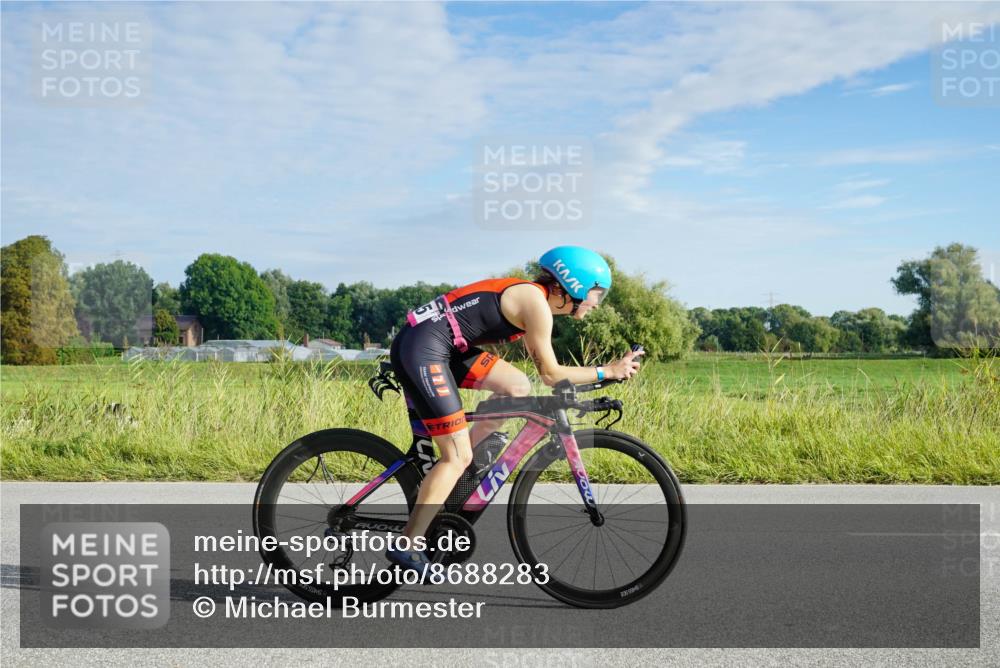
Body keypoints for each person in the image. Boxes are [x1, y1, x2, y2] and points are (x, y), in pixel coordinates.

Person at [385, 246, 644, 575]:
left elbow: (541, 377)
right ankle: (409, 542)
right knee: (456, 455)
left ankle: (466, 464)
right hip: (423, 348)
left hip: (443, 345)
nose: (596, 303)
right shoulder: (535, 304)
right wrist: (607, 371)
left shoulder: (533, 299)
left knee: (517, 386)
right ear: (575, 286)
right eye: (597, 294)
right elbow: (551, 374)